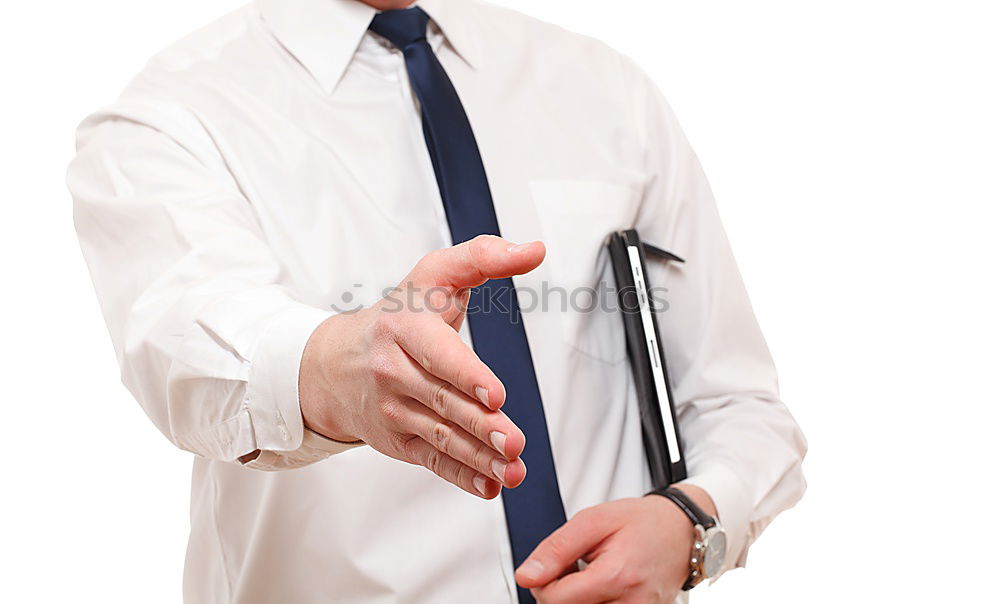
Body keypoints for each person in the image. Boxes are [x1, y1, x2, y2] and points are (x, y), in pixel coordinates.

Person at [68, 0, 807, 602]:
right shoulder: (168, 118)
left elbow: (742, 406)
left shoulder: (609, 92)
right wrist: (339, 373)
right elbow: (187, 348)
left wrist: (688, 525)